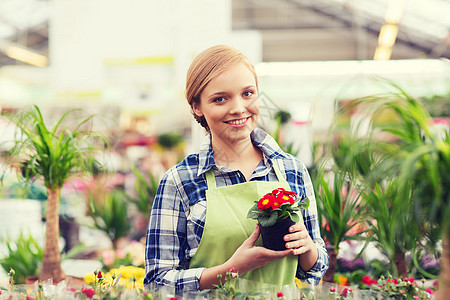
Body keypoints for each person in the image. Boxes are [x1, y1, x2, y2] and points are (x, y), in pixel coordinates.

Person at [144, 45, 329, 293]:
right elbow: (157, 281)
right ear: (197, 106)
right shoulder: (180, 181)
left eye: (247, 93)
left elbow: (315, 269)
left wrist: (307, 247)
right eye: (220, 98)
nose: (238, 108)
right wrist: (231, 269)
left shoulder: (291, 169)